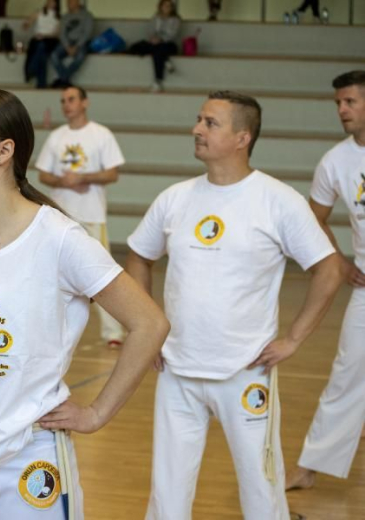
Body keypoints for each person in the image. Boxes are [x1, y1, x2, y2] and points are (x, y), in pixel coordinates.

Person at [0, 89, 170, 519]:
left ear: (3, 151)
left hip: (29, 456)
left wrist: (96, 413)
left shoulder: (60, 239)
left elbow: (149, 324)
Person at [127, 91, 342, 520]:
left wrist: (293, 339)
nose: (197, 129)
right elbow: (138, 257)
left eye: (210, 123)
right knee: (167, 492)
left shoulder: (278, 200)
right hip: (177, 371)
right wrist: (147, 329)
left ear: (243, 138)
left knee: (261, 487)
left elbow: (329, 269)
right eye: (199, 120)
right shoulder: (174, 198)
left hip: (246, 372)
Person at [285, 70, 365, 491]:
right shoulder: (335, 161)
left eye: (350, 102)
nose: (342, 110)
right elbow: (315, 219)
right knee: (347, 372)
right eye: (338, 103)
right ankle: (310, 466)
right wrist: (340, 262)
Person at [36, 85, 126, 347]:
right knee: (53, 274)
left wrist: (83, 177)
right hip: (61, 216)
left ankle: (113, 332)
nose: (67, 105)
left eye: (72, 99)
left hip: (92, 214)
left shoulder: (101, 134)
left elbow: (112, 173)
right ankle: (50, 331)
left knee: (102, 272)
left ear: (85, 103)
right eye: (63, 101)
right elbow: (43, 174)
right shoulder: (56, 137)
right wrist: (63, 182)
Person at [128, 0, 181, 93]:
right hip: (154, 42)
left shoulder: (175, 20)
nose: (167, 8)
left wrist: (161, 39)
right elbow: (150, 30)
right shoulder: (155, 18)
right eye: (165, 5)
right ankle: (166, 60)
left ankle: (158, 81)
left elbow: (173, 34)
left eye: (169, 6)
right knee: (138, 46)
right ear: (160, 6)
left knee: (158, 51)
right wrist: (153, 38)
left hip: (168, 44)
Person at [50, 0, 93, 88]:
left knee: (80, 57)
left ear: (77, 2)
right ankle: (65, 80)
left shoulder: (87, 16)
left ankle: (63, 79)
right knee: (54, 56)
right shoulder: (65, 17)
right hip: (67, 43)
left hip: (81, 42)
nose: (68, 4)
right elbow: (62, 34)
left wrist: (76, 46)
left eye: (70, 2)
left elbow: (87, 33)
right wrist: (67, 46)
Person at [23, 0, 60, 89]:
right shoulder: (38, 13)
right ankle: (42, 83)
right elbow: (28, 23)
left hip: (50, 40)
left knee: (42, 46)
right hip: (37, 39)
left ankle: (32, 69)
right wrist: (27, 24)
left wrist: (44, 36)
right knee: (42, 53)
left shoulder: (58, 17)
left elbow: (57, 33)